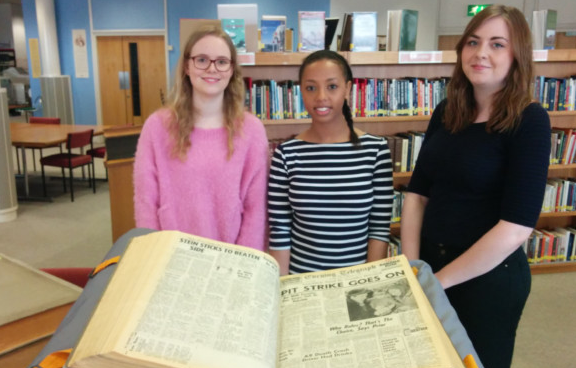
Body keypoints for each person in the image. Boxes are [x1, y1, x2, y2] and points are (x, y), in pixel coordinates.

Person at [400, 5, 551, 368]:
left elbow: (516, 228)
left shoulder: (529, 120)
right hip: (430, 266)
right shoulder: (447, 112)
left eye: (497, 44)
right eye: (473, 41)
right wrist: (415, 268)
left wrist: (437, 284)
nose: (481, 53)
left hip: (488, 281)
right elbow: (417, 195)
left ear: (516, 56)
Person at [133, 25, 268, 251]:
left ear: (232, 69)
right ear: (187, 66)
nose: (212, 69)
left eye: (222, 61)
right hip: (170, 255)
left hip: (230, 259)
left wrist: (243, 262)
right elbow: (146, 202)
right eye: (202, 60)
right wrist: (152, 253)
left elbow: (256, 208)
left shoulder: (251, 130)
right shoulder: (157, 127)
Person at [268, 50, 393, 275]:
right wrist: (282, 289)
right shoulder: (286, 154)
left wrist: (369, 284)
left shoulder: (375, 150)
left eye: (332, 86)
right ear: (301, 92)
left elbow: (379, 230)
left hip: (355, 285)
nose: (321, 97)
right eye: (311, 87)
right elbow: (280, 232)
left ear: (348, 88)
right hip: (301, 283)